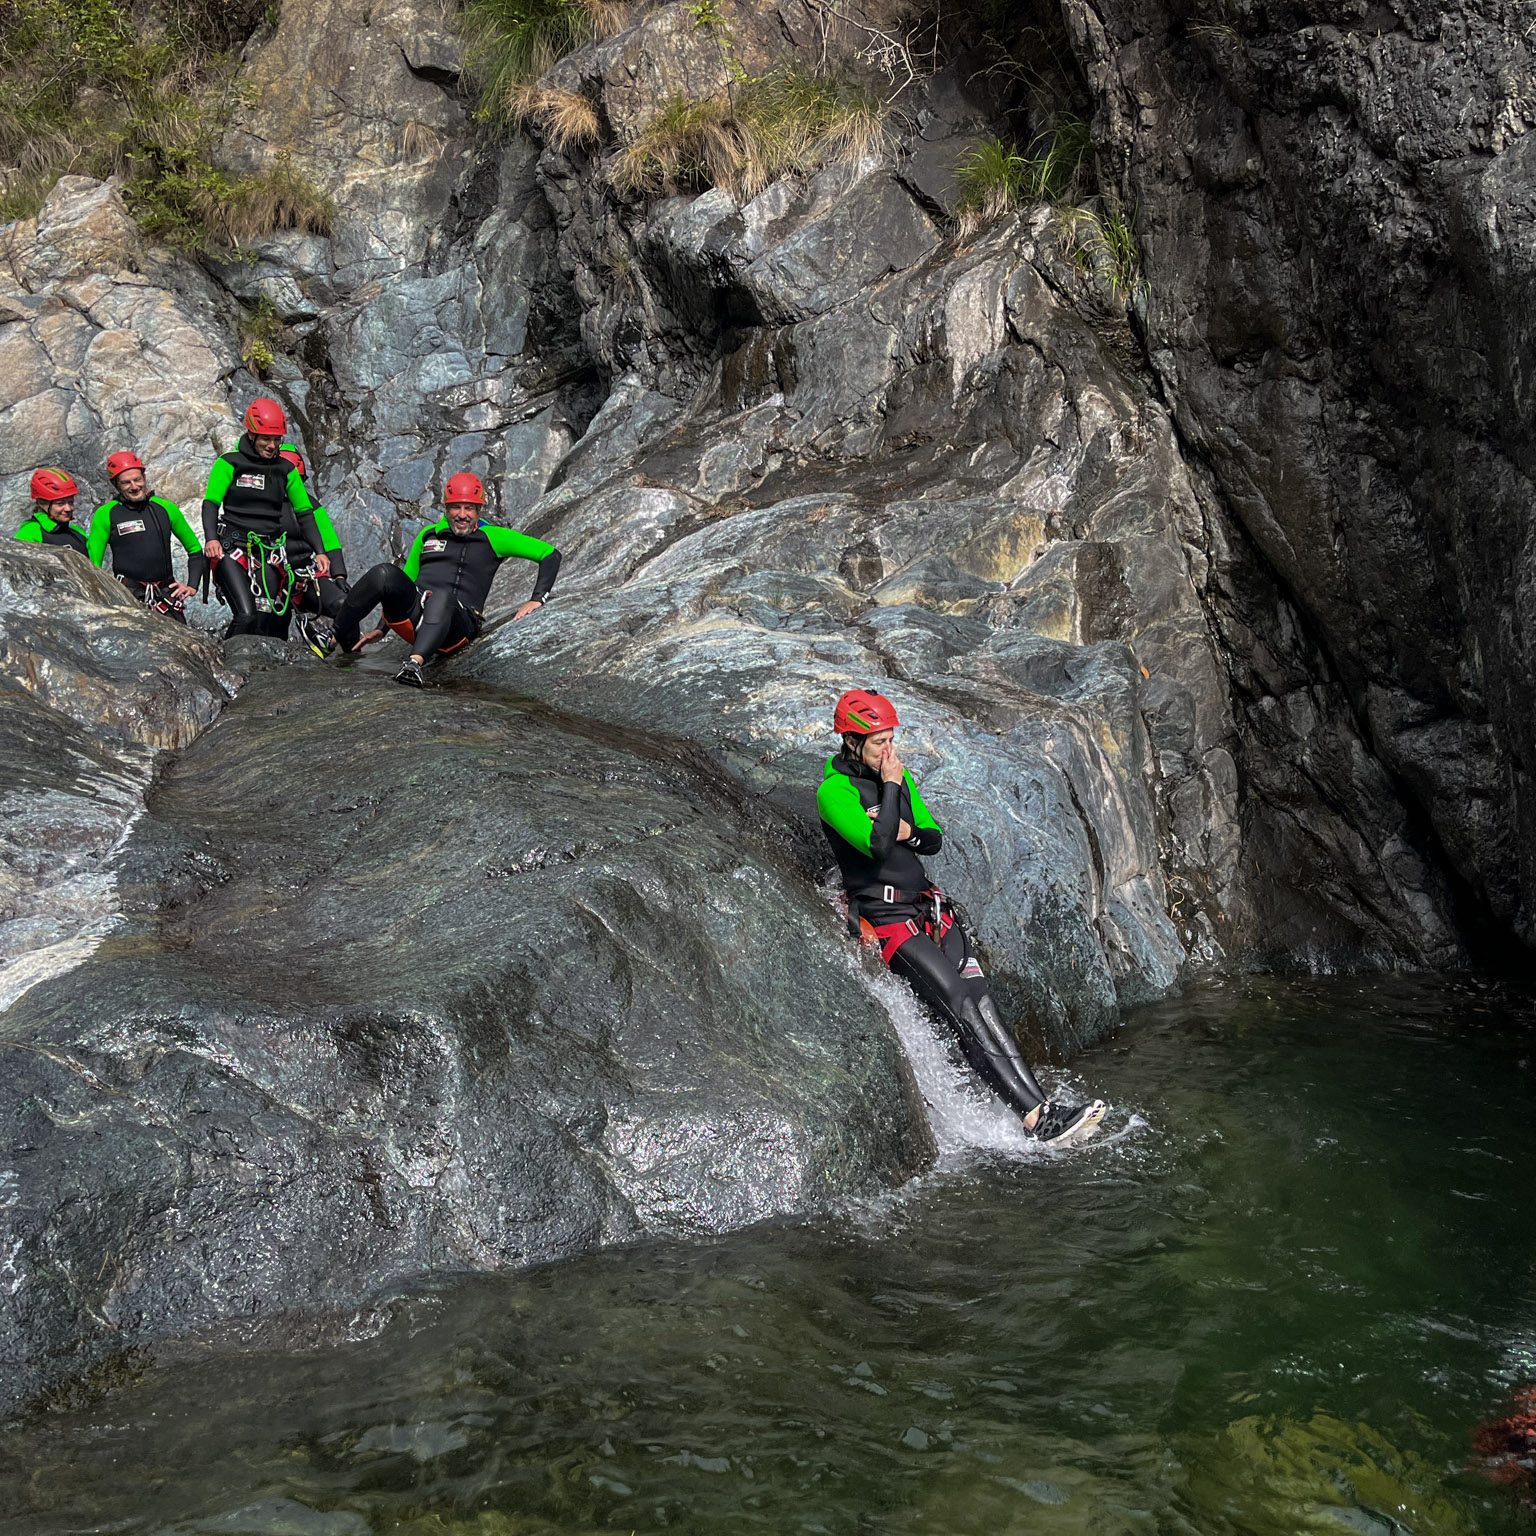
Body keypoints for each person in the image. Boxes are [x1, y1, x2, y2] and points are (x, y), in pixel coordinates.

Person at [818, 687, 1107, 1145]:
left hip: (925, 908)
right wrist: (892, 791)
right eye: (878, 743)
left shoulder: (899, 776)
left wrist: (902, 823)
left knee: (982, 999)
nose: (889, 752)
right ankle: (1036, 1119)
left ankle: (1041, 1106)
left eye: (892, 740)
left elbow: (932, 839)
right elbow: (875, 845)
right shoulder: (834, 791)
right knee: (958, 1001)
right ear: (851, 742)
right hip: (886, 916)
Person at [333, 471, 560, 687]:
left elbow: (549, 554)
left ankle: (414, 665)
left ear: (478, 509)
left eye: (469, 508)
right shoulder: (429, 534)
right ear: (446, 508)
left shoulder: (495, 537)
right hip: (416, 616)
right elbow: (405, 580)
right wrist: (382, 628)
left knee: (442, 597)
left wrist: (537, 599)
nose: (462, 514)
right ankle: (333, 637)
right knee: (384, 572)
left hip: (457, 626)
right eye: (456, 508)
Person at [199, 398, 341, 637]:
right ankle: (227, 664)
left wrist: (320, 551)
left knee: (266, 617)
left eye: (277, 439)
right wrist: (211, 539)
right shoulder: (229, 464)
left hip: (269, 553)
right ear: (252, 435)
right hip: (232, 549)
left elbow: (305, 514)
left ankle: (257, 669)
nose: (272, 445)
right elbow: (210, 504)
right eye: (266, 438)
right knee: (246, 614)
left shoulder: (286, 470)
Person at [87, 451, 206, 622]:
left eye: (138, 479)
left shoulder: (166, 508)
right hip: (128, 596)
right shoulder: (105, 514)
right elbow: (93, 566)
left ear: (144, 477)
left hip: (166, 594)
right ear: (116, 485)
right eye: (126, 483)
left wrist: (192, 585)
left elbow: (195, 550)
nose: (134, 486)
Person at [275, 443, 351, 658]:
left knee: (344, 605)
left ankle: (352, 657)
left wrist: (339, 575)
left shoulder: (311, 505)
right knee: (271, 626)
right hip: (273, 579)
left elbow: (329, 541)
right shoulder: (261, 506)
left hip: (305, 578)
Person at [15, 468, 89, 555]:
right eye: (60, 503)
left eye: (70, 502)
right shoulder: (30, 532)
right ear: (42, 504)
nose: (68, 508)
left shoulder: (78, 532)